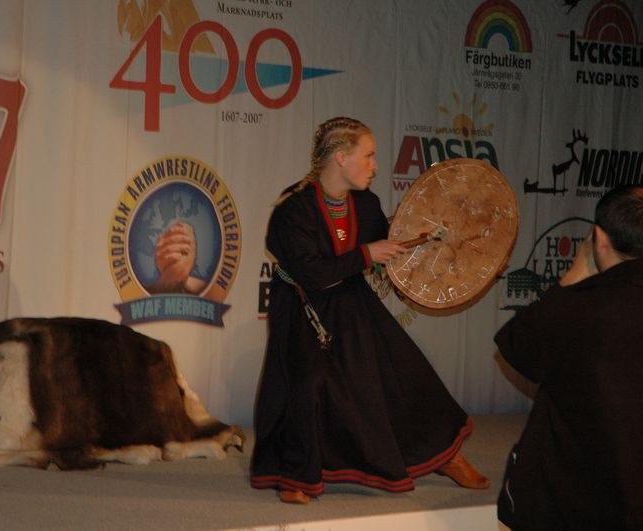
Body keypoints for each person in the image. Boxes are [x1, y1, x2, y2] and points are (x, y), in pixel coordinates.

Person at [250, 116, 489, 504]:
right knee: (307, 381)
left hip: (350, 299)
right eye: (370, 156)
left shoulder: (366, 203)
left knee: (403, 370)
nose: (376, 166)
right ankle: (295, 474)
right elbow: (310, 273)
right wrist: (365, 254)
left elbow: (385, 252)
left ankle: (443, 456)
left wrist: (453, 256)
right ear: (341, 158)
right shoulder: (292, 209)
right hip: (301, 305)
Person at [494, 185, 643, 529]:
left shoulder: (578, 308)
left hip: (572, 491)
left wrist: (573, 277)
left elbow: (516, 347)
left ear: (599, 238)